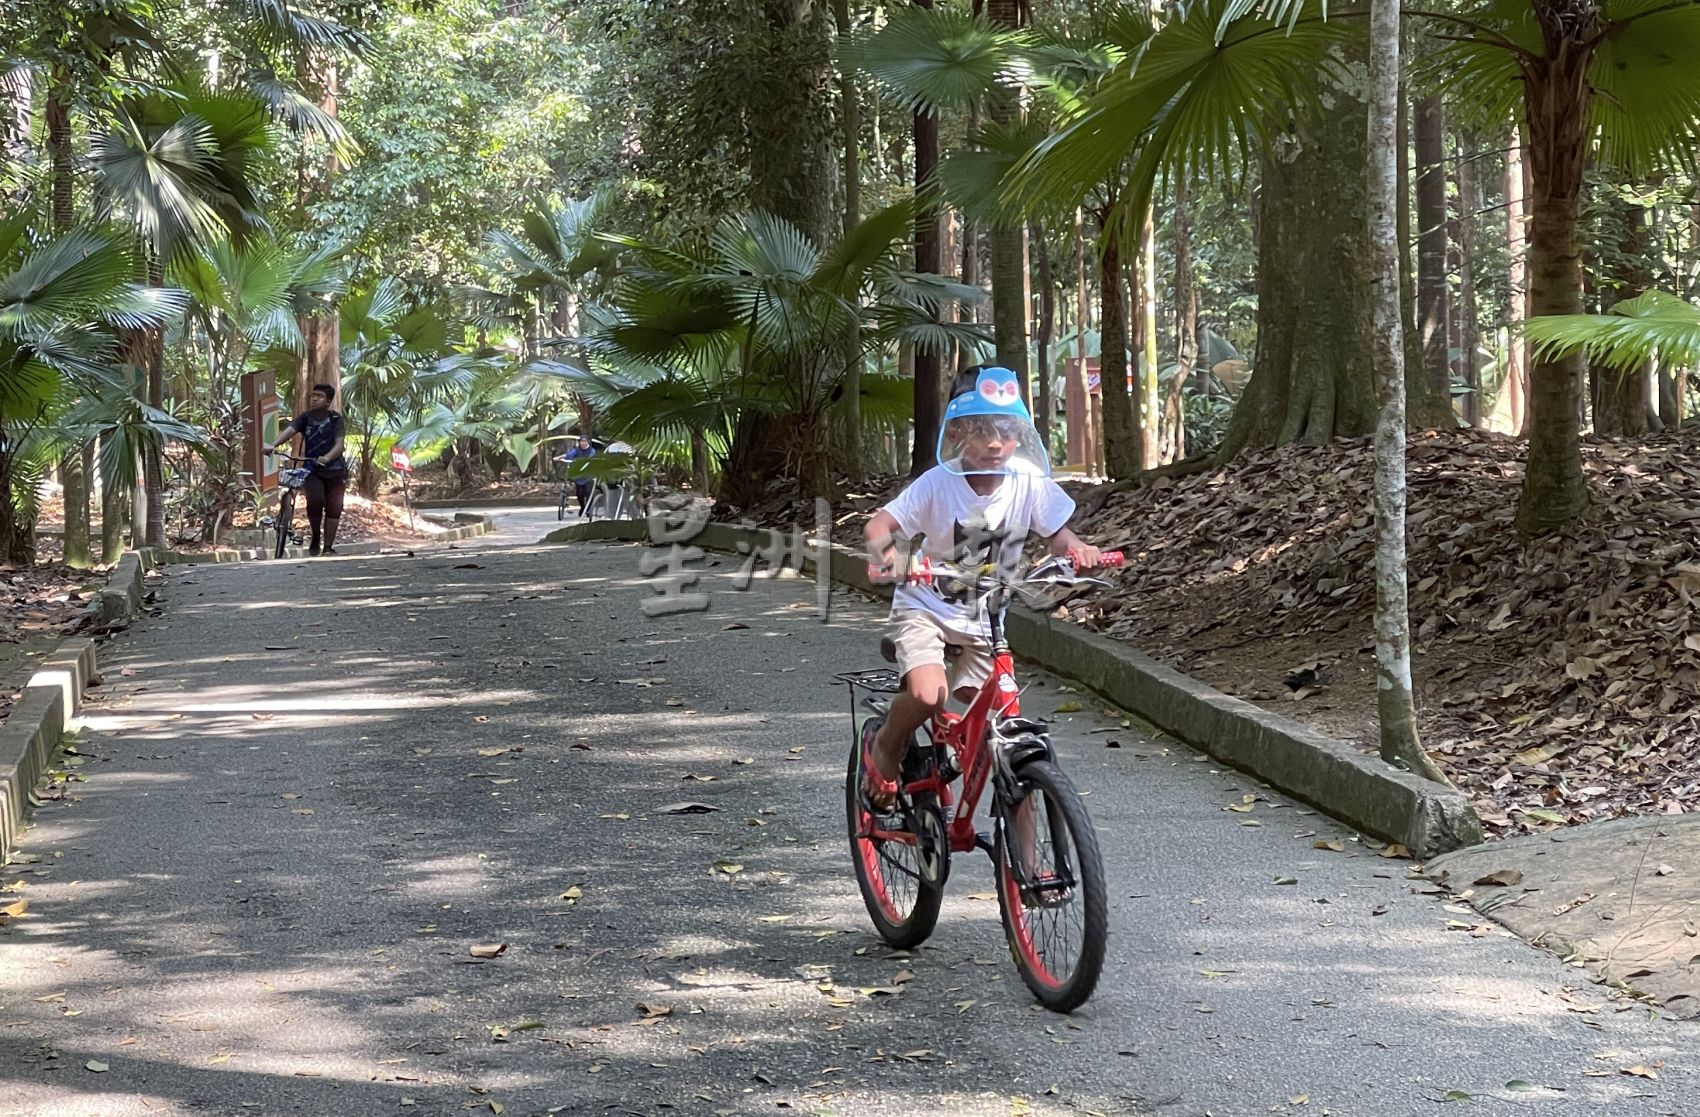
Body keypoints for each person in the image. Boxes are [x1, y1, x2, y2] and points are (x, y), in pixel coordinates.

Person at [861, 365, 1106, 811]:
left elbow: (1057, 533)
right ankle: (888, 748)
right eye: (980, 431)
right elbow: (879, 526)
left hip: (984, 616)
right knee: (927, 693)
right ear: (956, 432)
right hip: (927, 605)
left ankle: (1030, 873)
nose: (995, 443)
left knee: (998, 732)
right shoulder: (938, 483)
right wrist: (892, 558)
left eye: (1007, 431)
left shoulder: (1028, 481)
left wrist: (1078, 548)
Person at [269, 383, 349, 557]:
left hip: (335, 469)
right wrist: (273, 445)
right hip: (312, 468)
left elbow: (339, 445)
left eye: (319, 396)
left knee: (334, 507)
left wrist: (327, 457)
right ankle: (315, 535)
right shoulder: (305, 418)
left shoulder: (335, 419)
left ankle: (328, 546)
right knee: (315, 501)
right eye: (313, 395)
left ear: (328, 401)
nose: (314, 399)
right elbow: (290, 430)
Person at [563, 435, 597, 516]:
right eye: (582, 441)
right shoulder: (576, 451)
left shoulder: (592, 451)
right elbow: (568, 455)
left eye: (585, 441)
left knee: (589, 493)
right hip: (579, 476)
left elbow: (590, 458)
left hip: (589, 475)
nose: (583, 443)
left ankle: (588, 510)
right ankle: (582, 507)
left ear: (588, 442)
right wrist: (559, 457)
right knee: (579, 494)